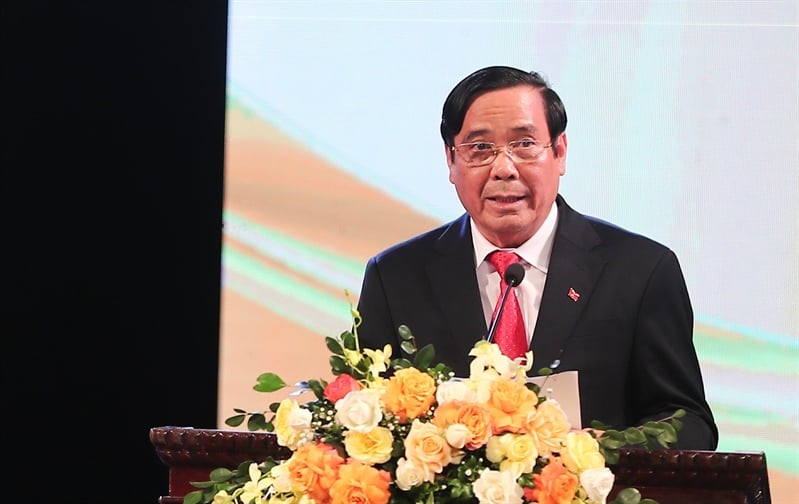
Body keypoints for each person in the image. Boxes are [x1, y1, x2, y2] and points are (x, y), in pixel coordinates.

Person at [355, 65, 718, 450]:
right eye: (480, 149)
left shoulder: (640, 271)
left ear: (559, 152)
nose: (503, 169)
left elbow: (688, 422)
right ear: (451, 160)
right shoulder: (395, 277)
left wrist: (603, 450)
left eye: (524, 144)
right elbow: (366, 420)